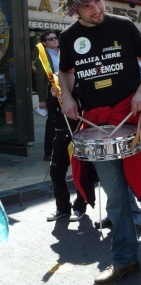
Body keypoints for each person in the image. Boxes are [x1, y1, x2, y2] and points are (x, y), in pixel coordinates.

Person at [57, 0, 141, 284]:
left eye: (98, 0)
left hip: (131, 118)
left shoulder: (123, 25)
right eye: (87, 5)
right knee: (116, 197)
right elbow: (65, 72)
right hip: (95, 124)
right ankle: (125, 259)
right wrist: (67, 96)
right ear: (74, 11)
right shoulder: (69, 37)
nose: (96, 8)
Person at [45, 84, 92, 222]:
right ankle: (63, 207)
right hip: (60, 131)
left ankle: (80, 206)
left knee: (80, 170)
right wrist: (54, 97)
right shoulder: (55, 80)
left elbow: (85, 107)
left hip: (78, 131)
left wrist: (67, 98)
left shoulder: (81, 79)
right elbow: (51, 111)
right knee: (55, 170)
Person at [35, 30, 60, 161]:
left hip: (66, 90)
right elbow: (40, 79)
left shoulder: (63, 52)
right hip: (52, 91)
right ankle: (48, 151)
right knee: (52, 121)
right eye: (50, 39)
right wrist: (42, 99)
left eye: (55, 37)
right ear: (44, 43)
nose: (55, 40)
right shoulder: (43, 57)